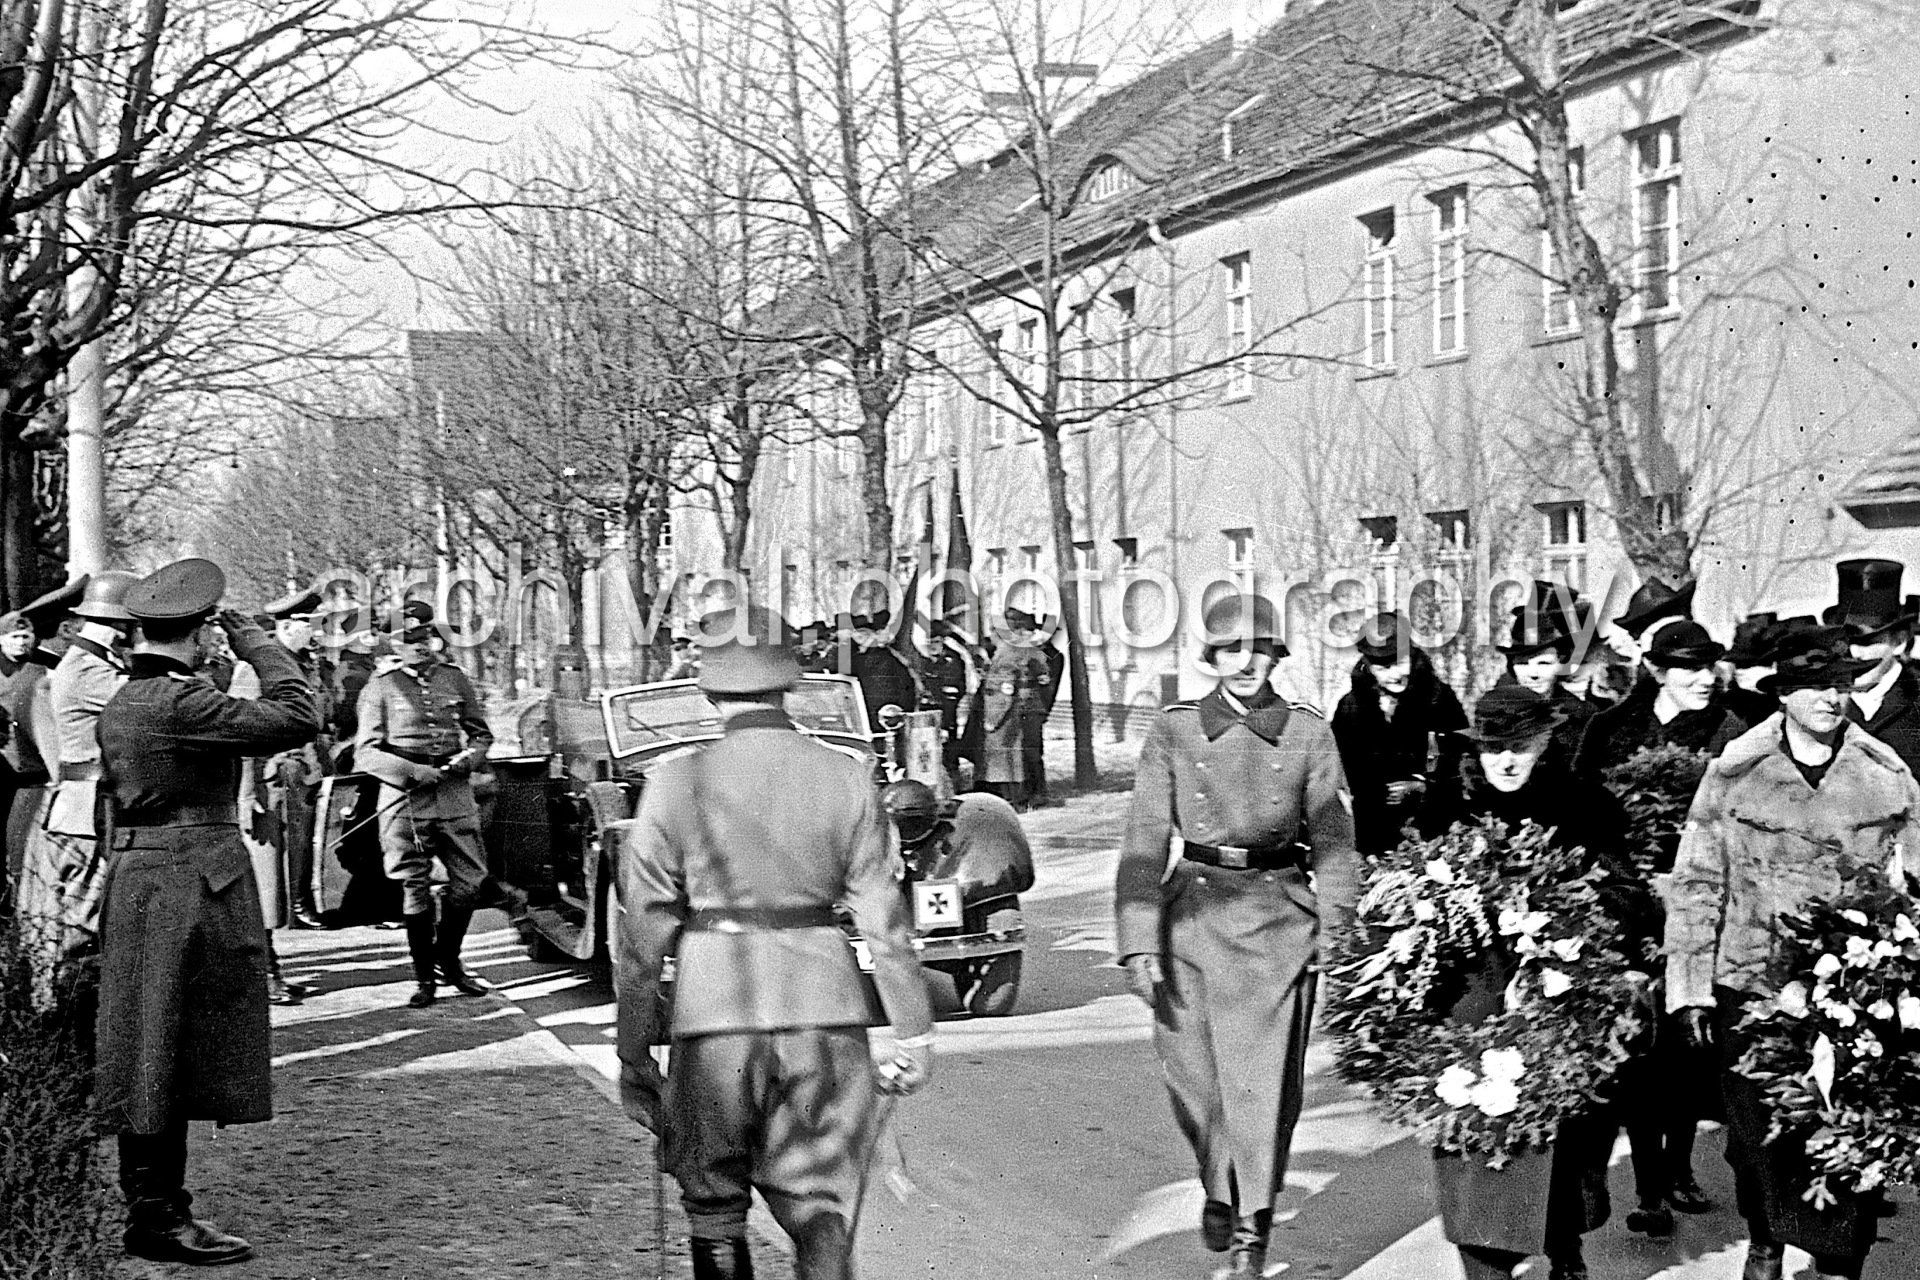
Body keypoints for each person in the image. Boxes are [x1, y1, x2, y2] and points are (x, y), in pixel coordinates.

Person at [615, 605, 934, 1280]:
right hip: (825, 1013)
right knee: (822, 1205)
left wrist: (635, 1051)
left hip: (714, 1016)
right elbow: (885, 920)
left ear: (708, 690)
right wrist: (915, 1031)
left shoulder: (675, 784)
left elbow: (642, 940)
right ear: (790, 682)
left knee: (714, 1202)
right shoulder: (847, 774)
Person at [1113, 593, 1358, 1277]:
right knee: (1195, 1085)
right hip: (1188, 917)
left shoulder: (1309, 733)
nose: (1245, 662)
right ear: (1210, 657)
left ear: (1277, 655)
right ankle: (1219, 1181)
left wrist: (1340, 938)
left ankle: (1253, 1224)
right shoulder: (1176, 730)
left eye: (1258, 649)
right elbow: (1143, 837)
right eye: (1229, 650)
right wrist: (1137, 939)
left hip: (1278, 919)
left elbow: (1336, 844)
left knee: (1260, 1086)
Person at [1665, 625, 1918, 1280]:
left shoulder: (1888, 780)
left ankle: (1838, 1263)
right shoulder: (1732, 775)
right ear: (1782, 692)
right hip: (1749, 985)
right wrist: (1689, 985)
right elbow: (1696, 881)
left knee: (1846, 1133)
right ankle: (1766, 1241)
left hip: (1854, 995)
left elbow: (1915, 887)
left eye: (1839, 682)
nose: (1831, 697)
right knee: (1758, 1143)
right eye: (1814, 684)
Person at [93, 558, 320, 1265]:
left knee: (161, 1043)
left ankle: (159, 1207)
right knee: (159, 1046)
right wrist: (257, 642)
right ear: (200, 632)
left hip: (159, 878)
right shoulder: (175, 703)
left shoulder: (145, 697)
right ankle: (158, 1217)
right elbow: (300, 714)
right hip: (181, 883)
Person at [1414, 685, 1650, 1280]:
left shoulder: (1584, 806)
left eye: (1520, 746)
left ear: (1544, 742)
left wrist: (1563, 913)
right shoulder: (1445, 810)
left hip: (1561, 995)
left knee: (1565, 1144)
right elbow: (1407, 901)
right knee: (1476, 1134)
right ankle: (1486, 1264)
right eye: (1495, 750)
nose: (1508, 761)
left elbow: (1628, 895)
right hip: (1471, 997)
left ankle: (1563, 1245)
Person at [1571, 619, 1746, 1236]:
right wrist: (1624, 880)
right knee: (1632, 1044)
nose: (1704, 679)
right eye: (1688, 668)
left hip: (1701, 905)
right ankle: (1646, 1184)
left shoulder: (1731, 734)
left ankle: (1675, 1168)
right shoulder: (1611, 728)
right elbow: (1582, 811)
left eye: (1709, 667)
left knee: (1686, 1045)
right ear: (1656, 670)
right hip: (1626, 902)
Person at [353, 602, 495, 1007]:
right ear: (394, 643)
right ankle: (424, 979)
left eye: (424, 638)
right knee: (414, 887)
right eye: (408, 640)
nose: (419, 646)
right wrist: (412, 772)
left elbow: (480, 734)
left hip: (454, 795)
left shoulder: (455, 679)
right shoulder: (380, 687)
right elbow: (366, 753)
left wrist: (466, 761)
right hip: (406, 799)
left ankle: (450, 963)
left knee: (469, 883)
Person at [29, 570, 136, 1016]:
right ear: (119, 625)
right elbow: (148, 705)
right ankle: (65, 1029)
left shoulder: (93, 663)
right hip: (88, 809)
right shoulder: (89, 670)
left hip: (89, 803)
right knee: (81, 924)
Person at [1331, 610, 1467, 856]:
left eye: (1399, 663)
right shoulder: (1351, 707)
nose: (1394, 674)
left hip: (1432, 831)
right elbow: (1339, 769)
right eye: (1382, 668)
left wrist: (1423, 786)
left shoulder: (1439, 699)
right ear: (1368, 666)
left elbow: (1462, 764)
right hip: (1371, 832)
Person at [1826, 557, 1920, 775]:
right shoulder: (1820, 703)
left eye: (1867, 641)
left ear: (1899, 642)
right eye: (1846, 640)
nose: (1855, 653)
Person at [975, 609, 1052, 808]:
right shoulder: (1031, 649)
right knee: (1029, 753)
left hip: (1016, 710)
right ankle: (1036, 793)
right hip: (1030, 708)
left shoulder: (1010, 653)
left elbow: (1004, 691)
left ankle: (1022, 796)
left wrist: (992, 719)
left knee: (1015, 753)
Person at [845, 607, 918, 725]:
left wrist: (900, 715)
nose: (859, 636)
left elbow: (906, 687)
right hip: (864, 715)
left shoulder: (885, 657)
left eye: (864, 633)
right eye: (855, 633)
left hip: (885, 716)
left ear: (873, 634)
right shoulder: (856, 658)